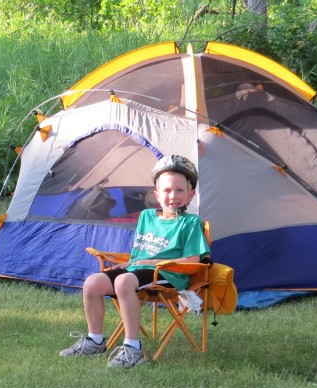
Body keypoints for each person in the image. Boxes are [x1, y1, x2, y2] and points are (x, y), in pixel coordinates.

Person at [60, 154, 210, 368]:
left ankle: (133, 348)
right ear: (157, 195)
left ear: (191, 194)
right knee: (92, 282)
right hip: (140, 271)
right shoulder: (147, 217)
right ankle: (95, 340)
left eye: (179, 190)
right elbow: (141, 252)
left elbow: (193, 259)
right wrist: (130, 264)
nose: (173, 196)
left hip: (170, 274)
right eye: (167, 190)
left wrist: (151, 262)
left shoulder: (190, 222)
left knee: (123, 282)